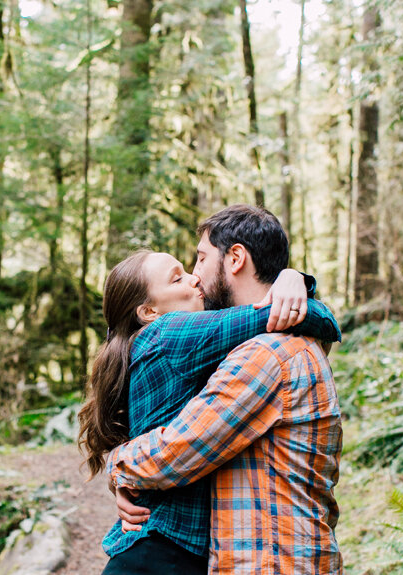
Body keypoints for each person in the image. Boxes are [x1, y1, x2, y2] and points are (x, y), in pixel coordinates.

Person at [78, 205, 341, 575]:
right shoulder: (171, 335)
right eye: (179, 277)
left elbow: (181, 448)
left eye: (199, 260)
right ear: (148, 310)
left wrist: (120, 465)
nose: (196, 277)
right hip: (162, 549)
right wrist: (298, 287)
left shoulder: (265, 354)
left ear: (236, 258)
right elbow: (179, 449)